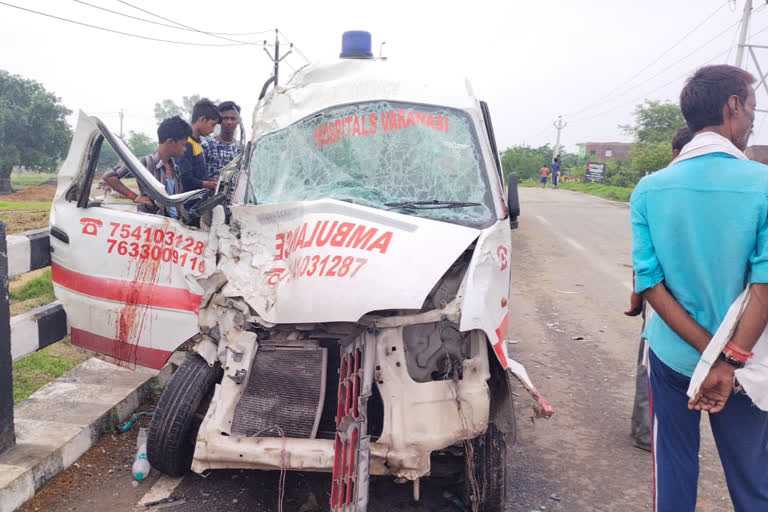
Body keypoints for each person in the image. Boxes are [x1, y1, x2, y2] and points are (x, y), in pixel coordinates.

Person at [630, 64, 768, 511]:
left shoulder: (649, 189)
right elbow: (764, 288)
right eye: (751, 107)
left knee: (672, 467)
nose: (752, 118)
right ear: (732, 105)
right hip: (744, 364)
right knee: (753, 478)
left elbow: (648, 285)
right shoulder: (764, 186)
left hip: (672, 356)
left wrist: (712, 355)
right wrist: (727, 362)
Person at [625, 125, 692, 453]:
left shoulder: (656, 188)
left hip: (662, 298)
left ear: (676, 152)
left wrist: (638, 295)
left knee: (653, 362)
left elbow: (645, 256)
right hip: (715, 299)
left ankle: (646, 430)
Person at [102, 116, 191, 219]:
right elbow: (109, 177)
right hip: (151, 225)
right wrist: (135, 197)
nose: (184, 149)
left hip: (173, 226)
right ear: (170, 141)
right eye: (183, 144)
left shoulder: (175, 169)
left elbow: (178, 201)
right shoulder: (144, 163)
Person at [179, 98, 220, 192]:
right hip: (189, 203)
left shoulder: (197, 143)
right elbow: (185, 179)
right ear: (202, 119)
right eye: (212, 125)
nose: (213, 130)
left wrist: (207, 181)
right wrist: (205, 184)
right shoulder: (186, 144)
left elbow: (196, 175)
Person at [202, 101, 242, 179]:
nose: (229, 122)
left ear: (238, 121)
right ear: (219, 121)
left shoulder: (241, 149)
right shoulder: (207, 145)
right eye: (225, 118)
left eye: (233, 118)